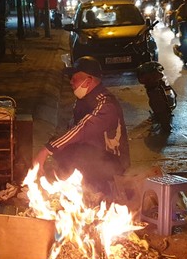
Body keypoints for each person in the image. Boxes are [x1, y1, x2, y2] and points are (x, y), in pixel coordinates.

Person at [33, 57, 130, 198]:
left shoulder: (106, 103)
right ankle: (76, 193)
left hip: (111, 162)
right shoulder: (83, 100)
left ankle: (100, 194)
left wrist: (47, 149)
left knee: (70, 154)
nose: (71, 81)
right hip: (92, 153)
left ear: (89, 80)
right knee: (63, 153)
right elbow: (71, 129)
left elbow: (82, 128)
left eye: (74, 77)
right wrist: (52, 148)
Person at [136, 61, 176, 133]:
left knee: (160, 104)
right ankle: (162, 120)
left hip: (157, 93)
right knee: (158, 104)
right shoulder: (153, 85)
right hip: (155, 92)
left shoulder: (158, 83)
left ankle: (162, 120)